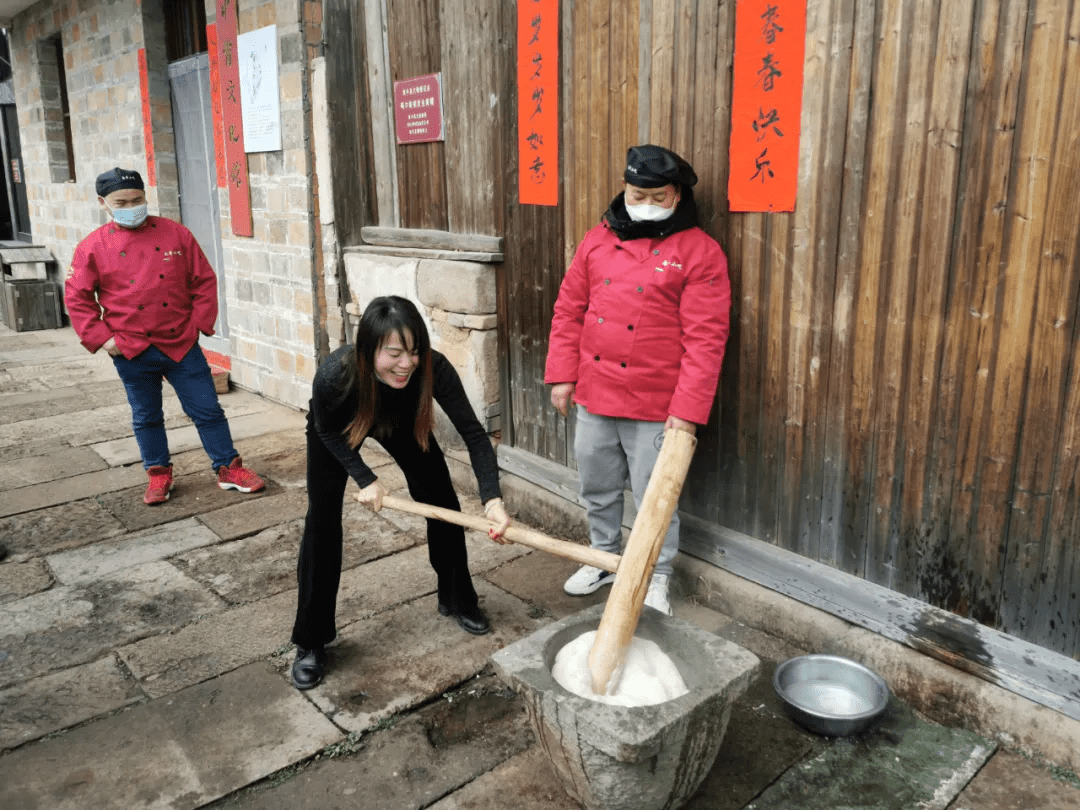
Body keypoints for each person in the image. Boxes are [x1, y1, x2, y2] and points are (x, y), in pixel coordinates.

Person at [545, 144, 731, 615]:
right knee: (596, 485)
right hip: (594, 392)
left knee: (656, 497)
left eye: (657, 196)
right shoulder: (597, 239)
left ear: (678, 195)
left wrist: (686, 415)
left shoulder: (700, 253)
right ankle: (605, 556)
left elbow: (706, 341)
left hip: (657, 405)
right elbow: (569, 310)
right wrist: (563, 376)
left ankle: (655, 575)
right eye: (636, 194)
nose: (644, 203)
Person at [289, 295, 511, 690]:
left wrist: (492, 501)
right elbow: (324, 430)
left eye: (414, 351)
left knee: (442, 500)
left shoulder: (432, 369)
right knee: (321, 522)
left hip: (401, 423)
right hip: (337, 430)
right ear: (368, 349)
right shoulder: (334, 376)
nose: (406, 363)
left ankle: (458, 596)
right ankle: (311, 640)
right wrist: (365, 478)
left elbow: (476, 436)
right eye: (394, 353)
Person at [65, 167, 265, 505]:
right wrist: (104, 339)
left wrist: (199, 324)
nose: (132, 206)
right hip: (130, 347)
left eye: (138, 199)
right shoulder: (92, 247)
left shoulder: (176, 234)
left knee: (207, 409)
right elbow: (77, 297)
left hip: (180, 343)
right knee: (146, 415)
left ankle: (229, 468)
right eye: (121, 202)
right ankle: (158, 474)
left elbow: (203, 280)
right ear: (104, 203)